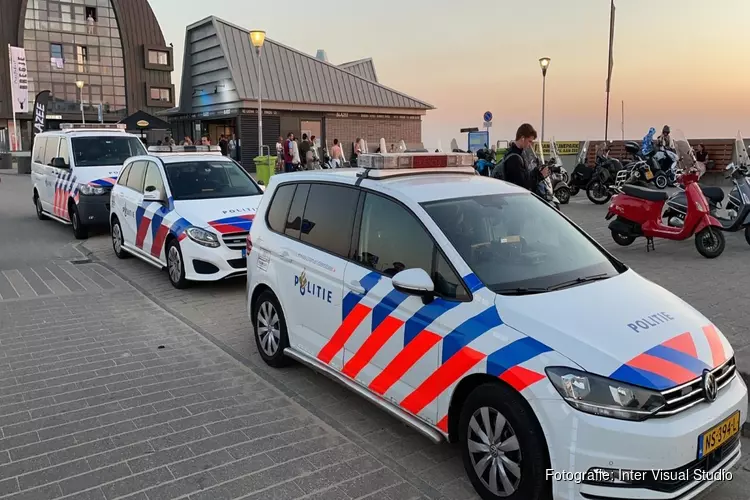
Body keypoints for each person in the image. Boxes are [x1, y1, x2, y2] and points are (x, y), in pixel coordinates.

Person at [493, 123, 545, 190]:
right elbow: (523, 185)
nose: (530, 145)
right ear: (522, 138)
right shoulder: (514, 158)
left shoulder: (515, 153)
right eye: (529, 141)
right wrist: (540, 175)